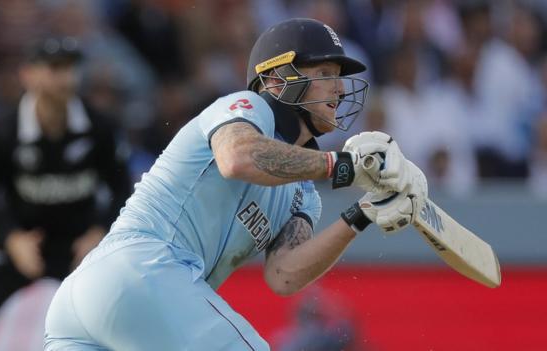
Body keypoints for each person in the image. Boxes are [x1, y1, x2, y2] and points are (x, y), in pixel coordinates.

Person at [44, 18, 427, 351]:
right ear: (278, 79)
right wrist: (342, 166)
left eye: (338, 78)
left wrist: (361, 213)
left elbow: (285, 275)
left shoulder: (304, 195)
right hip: (141, 269)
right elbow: (236, 159)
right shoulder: (247, 106)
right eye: (325, 74)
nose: (340, 90)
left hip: (95, 299)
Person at [0, 37, 131, 351]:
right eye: (55, 68)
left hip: (82, 247)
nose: (66, 78)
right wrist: (12, 237)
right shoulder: (1, 132)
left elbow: (122, 188)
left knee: (127, 330)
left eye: (71, 68)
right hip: (21, 245)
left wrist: (98, 232)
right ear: (28, 74)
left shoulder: (101, 129)